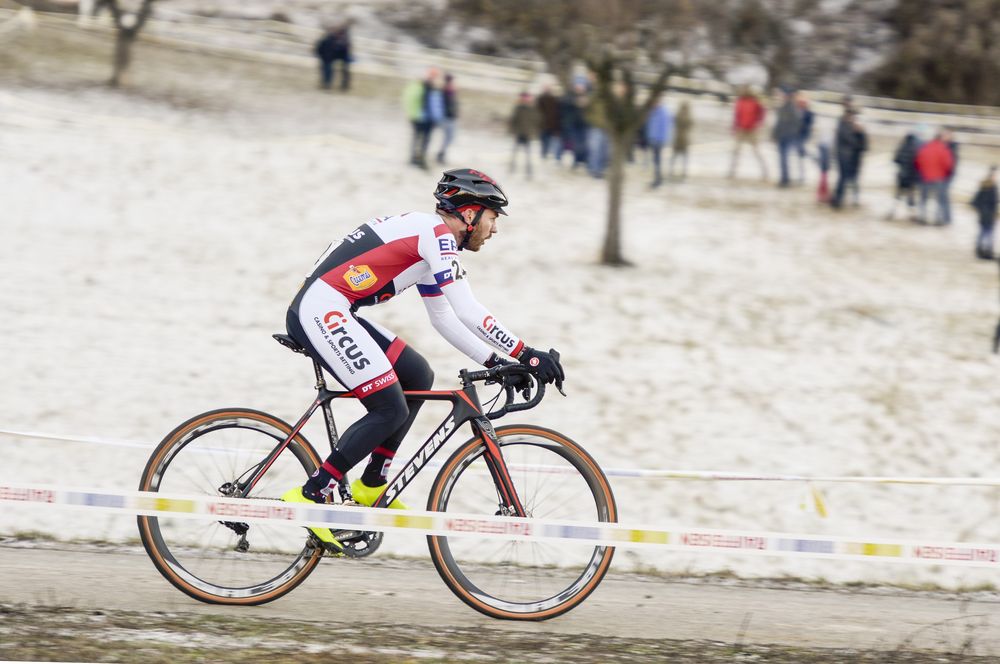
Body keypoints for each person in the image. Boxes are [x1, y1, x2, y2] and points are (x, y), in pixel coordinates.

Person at [281, 169, 565, 551]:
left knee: (417, 373)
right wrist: (525, 354)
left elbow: (444, 317)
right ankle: (313, 494)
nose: (494, 229)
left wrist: (495, 361)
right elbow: (467, 309)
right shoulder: (436, 236)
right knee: (388, 408)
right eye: (493, 217)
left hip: (336, 308)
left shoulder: (430, 239)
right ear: (469, 215)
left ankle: (370, 485)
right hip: (321, 310)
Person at [914, 130, 956, 225]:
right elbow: (948, 165)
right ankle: (937, 219)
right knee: (939, 200)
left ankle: (922, 217)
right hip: (939, 178)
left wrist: (922, 171)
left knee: (923, 198)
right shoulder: (943, 149)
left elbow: (918, 161)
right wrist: (946, 174)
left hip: (924, 177)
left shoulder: (926, 147)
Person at [728, 86, 768, 180]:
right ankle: (732, 171)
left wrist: (758, 124)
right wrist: (734, 128)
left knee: (757, 151)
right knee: (736, 151)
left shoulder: (755, 102)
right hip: (741, 129)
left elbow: (762, 112)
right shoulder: (739, 102)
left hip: (752, 130)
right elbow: (736, 116)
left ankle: (765, 172)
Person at [830, 108, 867, 209]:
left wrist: (860, 133)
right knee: (843, 178)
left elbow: (863, 145)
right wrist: (858, 132)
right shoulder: (844, 125)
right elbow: (851, 141)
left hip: (850, 158)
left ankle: (838, 199)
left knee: (845, 178)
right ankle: (837, 200)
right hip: (844, 157)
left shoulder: (849, 126)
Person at [886, 132, 920, 221]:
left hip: (901, 175)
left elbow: (895, 160)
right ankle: (912, 214)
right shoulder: (916, 150)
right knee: (911, 196)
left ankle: (892, 211)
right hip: (911, 176)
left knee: (898, 195)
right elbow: (918, 164)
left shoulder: (901, 147)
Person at [772, 87, 802, 188]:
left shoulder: (793, 108)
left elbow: (797, 123)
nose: (783, 97)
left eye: (785, 95)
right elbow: (778, 123)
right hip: (782, 136)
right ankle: (784, 178)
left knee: (784, 158)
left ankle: (785, 180)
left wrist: (791, 133)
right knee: (782, 158)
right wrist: (775, 134)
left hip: (788, 137)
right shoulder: (782, 107)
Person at [509, 92, 540, 178]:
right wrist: (513, 131)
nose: (526, 100)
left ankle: (529, 171)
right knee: (515, 153)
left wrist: (533, 132)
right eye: (524, 98)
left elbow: (537, 121)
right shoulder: (518, 108)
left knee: (528, 155)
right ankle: (512, 168)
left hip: (527, 135)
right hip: (519, 134)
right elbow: (513, 120)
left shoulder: (532, 109)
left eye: (527, 98)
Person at [644, 94, 672, 188]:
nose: (653, 104)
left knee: (657, 161)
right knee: (656, 161)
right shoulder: (653, 111)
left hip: (658, 140)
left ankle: (657, 180)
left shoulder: (663, 112)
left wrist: (660, 140)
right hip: (653, 139)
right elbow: (650, 125)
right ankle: (658, 178)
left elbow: (664, 128)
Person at [971, 166, 998, 260]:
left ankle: (981, 249)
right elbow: (992, 202)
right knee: (987, 233)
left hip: (984, 215)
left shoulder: (984, 188)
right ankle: (986, 250)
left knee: (983, 232)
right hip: (988, 215)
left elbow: (974, 202)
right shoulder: (991, 189)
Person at [314, 24, 351, 91]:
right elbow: (320, 49)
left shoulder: (344, 40)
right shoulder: (328, 39)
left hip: (336, 55)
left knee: (343, 69)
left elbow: (345, 51)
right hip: (327, 56)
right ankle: (327, 84)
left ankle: (343, 85)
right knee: (327, 69)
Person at [436, 73, 458, 164]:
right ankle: (440, 155)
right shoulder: (445, 91)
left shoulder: (450, 92)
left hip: (450, 117)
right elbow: (446, 106)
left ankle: (441, 154)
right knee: (448, 137)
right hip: (446, 117)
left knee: (450, 137)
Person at [536, 85, 561, 160]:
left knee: (548, 139)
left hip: (550, 124)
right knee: (544, 140)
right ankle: (544, 153)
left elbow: (556, 112)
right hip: (543, 123)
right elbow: (537, 111)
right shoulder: (540, 99)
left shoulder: (554, 99)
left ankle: (545, 152)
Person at [793, 91, 814, 184]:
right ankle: (814, 158)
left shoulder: (809, 113)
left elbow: (808, 126)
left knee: (800, 154)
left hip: (802, 136)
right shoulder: (794, 110)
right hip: (794, 135)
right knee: (800, 154)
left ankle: (802, 176)